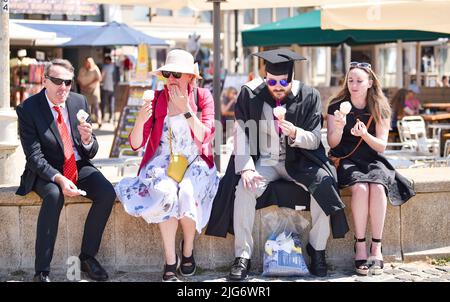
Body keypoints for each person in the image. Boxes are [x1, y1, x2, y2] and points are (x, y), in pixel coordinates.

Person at [206, 49, 349, 280]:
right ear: (265, 78)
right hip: (266, 160)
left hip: (301, 162)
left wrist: (295, 133)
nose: (277, 86)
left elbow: (314, 140)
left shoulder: (308, 96)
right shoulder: (250, 94)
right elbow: (241, 132)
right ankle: (242, 255)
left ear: (291, 78)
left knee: (324, 185)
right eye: (271, 81)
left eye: (283, 81)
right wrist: (247, 167)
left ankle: (318, 250)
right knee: (244, 188)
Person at [114, 49, 220, 282]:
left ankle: (188, 250)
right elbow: (134, 144)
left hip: (196, 161)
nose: (170, 79)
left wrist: (186, 110)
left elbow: (205, 137)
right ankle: (170, 260)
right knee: (166, 193)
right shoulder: (156, 99)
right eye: (167, 74)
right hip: (163, 161)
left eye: (176, 74)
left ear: (191, 77)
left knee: (188, 194)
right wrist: (141, 120)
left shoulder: (203, 97)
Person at [15, 59, 116, 282]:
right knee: (53, 195)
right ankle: (41, 271)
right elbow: (34, 157)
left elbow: (90, 152)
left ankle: (88, 258)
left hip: (78, 164)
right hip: (46, 169)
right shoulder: (28, 109)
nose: (63, 88)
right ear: (45, 81)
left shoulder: (79, 101)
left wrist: (89, 139)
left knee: (107, 193)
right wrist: (59, 178)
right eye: (58, 81)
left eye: (68, 82)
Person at [327, 62, 415, 276]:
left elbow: (382, 145)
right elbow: (332, 143)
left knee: (377, 187)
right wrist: (338, 127)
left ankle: (376, 245)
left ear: (370, 82)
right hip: (347, 158)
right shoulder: (336, 106)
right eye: (350, 80)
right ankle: (360, 245)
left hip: (373, 158)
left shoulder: (380, 107)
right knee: (361, 188)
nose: (354, 85)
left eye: (359, 81)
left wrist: (365, 135)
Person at [77, 57, 102, 127]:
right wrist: (81, 85)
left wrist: (89, 84)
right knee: (87, 107)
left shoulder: (95, 68)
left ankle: (99, 120)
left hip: (94, 90)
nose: (87, 63)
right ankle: (88, 121)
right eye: (86, 62)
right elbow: (78, 79)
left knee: (96, 105)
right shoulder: (82, 69)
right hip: (84, 90)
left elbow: (99, 78)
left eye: (89, 62)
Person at [100, 56, 116, 123]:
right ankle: (111, 118)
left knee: (104, 103)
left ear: (107, 60)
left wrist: (100, 82)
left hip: (106, 88)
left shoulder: (105, 67)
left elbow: (102, 77)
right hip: (113, 88)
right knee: (111, 104)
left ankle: (103, 117)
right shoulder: (114, 67)